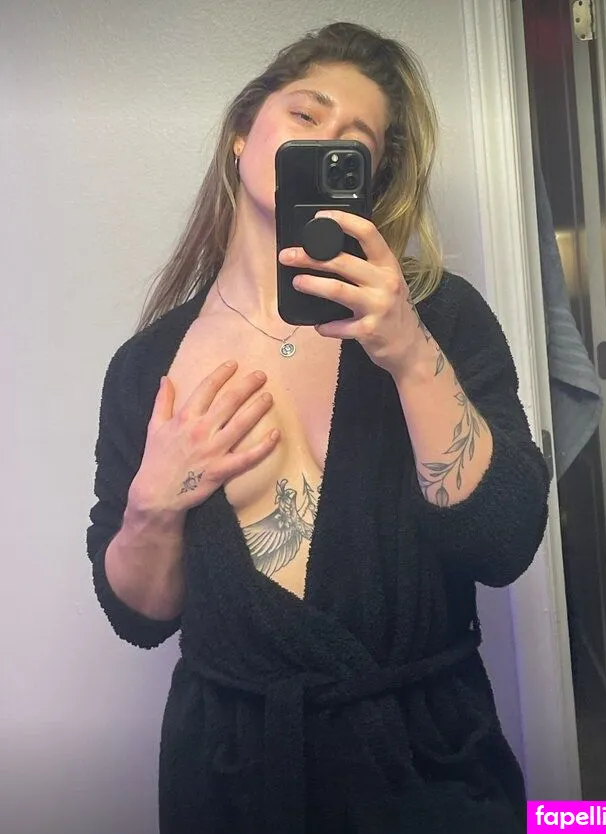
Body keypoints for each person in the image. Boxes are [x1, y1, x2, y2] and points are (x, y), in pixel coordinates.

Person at [87, 21, 549, 834]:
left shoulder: (438, 316)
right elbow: (142, 617)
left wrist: (408, 352)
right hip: (232, 782)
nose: (325, 139)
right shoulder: (146, 367)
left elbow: (504, 543)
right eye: (306, 113)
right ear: (243, 132)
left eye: (355, 142)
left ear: (365, 181)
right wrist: (152, 505)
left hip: (427, 771)